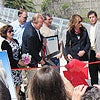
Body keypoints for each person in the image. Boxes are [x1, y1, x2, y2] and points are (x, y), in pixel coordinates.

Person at [0, 25, 26, 100]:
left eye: (12, 31)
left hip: (18, 68)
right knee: (12, 87)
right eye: (9, 31)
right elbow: (8, 57)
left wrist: (23, 59)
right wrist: (18, 62)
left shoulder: (16, 41)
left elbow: (19, 53)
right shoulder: (5, 44)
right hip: (11, 68)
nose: (12, 33)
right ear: (5, 33)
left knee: (18, 86)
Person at [87, 10, 100, 85]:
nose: (91, 19)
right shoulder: (88, 28)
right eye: (90, 17)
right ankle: (94, 90)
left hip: (99, 52)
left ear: (96, 17)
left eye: (93, 17)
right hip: (91, 53)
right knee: (93, 72)